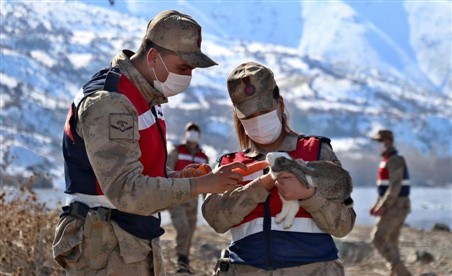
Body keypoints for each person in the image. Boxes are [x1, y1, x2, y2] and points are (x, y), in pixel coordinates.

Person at [52, 10, 246, 275]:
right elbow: (126, 190)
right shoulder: (112, 103)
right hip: (106, 251)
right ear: (154, 57)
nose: (188, 76)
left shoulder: (145, 100)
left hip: (128, 245)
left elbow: (137, 172)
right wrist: (200, 185)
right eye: (183, 67)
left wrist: (176, 177)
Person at [202, 61, 356, 275]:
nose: (258, 121)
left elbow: (344, 224)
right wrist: (261, 185)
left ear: (279, 103)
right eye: (249, 116)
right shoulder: (229, 164)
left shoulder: (316, 151)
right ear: (238, 115)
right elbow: (215, 220)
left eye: (263, 111)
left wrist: (308, 194)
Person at [167, 122, 209, 273]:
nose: (192, 133)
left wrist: (208, 201)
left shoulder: (203, 157)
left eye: (195, 131)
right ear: (185, 133)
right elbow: (167, 170)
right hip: (176, 197)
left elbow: (207, 180)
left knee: (190, 230)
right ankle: (180, 260)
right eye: (190, 131)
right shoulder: (177, 151)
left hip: (193, 200)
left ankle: (184, 262)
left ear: (199, 135)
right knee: (183, 228)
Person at [370, 129, 412, 276]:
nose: (377, 145)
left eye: (379, 142)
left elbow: (395, 186)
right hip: (396, 206)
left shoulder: (394, 159)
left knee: (379, 239)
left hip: (396, 207)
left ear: (387, 141)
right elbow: (384, 188)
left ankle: (403, 273)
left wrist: (383, 206)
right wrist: (377, 205)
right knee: (392, 242)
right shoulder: (387, 159)